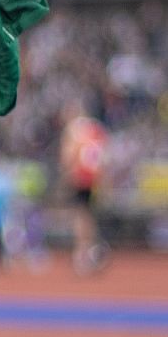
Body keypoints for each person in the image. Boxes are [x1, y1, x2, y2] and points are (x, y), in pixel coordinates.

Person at [58, 99, 108, 274]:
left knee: (80, 215)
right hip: (94, 178)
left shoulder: (73, 130)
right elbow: (103, 156)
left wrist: (67, 174)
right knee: (89, 214)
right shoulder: (96, 128)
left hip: (80, 177)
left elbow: (69, 154)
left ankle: (82, 253)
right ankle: (92, 249)